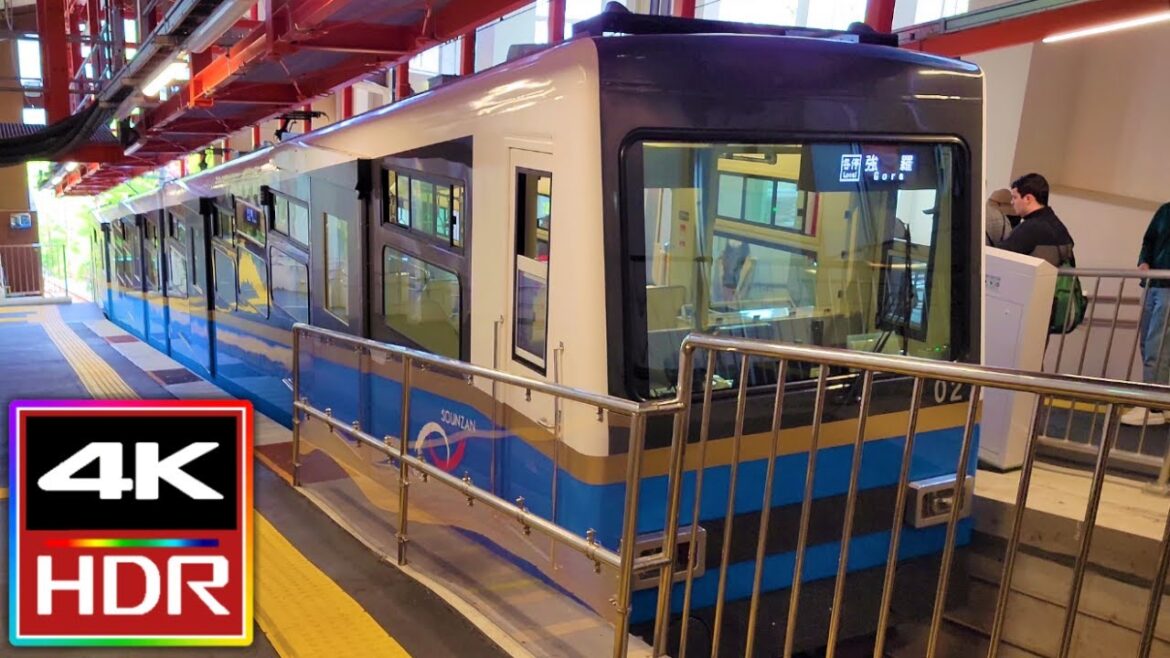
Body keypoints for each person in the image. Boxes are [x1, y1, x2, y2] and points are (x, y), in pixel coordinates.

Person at [1121, 201, 1170, 426]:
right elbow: (1148, 240)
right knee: (1148, 344)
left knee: (1156, 347)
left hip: (1166, 288)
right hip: (1153, 284)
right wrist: (1144, 262)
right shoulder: (1165, 210)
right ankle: (1159, 400)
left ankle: (1153, 405)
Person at [998, 173, 1074, 266]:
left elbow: (1000, 256)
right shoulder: (1057, 225)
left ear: (1028, 199)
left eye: (1015, 197)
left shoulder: (1031, 228)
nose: (1011, 202)